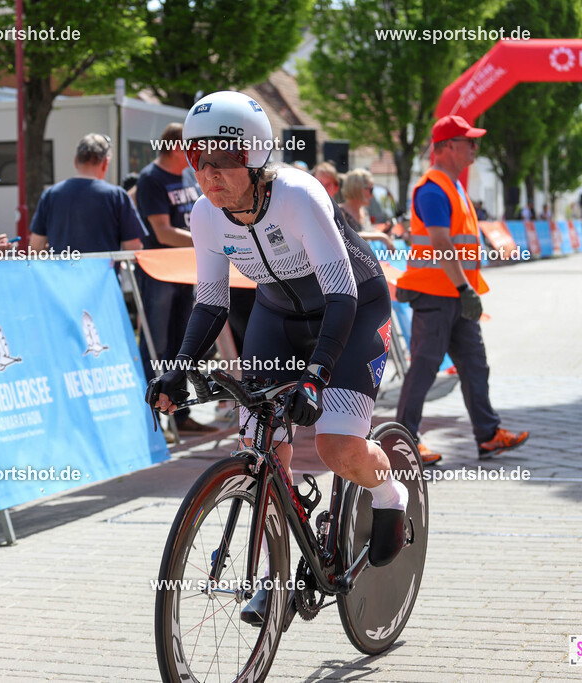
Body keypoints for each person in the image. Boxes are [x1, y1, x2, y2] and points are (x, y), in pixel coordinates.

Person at [146, 91, 409, 621]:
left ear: (257, 156)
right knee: (260, 443)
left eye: (224, 158)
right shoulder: (205, 215)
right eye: (199, 159)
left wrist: (316, 377)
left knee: (338, 448)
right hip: (277, 317)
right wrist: (177, 370)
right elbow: (211, 302)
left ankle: (390, 492)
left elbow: (341, 293)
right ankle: (276, 578)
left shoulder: (297, 194)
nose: (209, 172)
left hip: (351, 310)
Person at [394, 115, 529, 464]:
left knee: (474, 365)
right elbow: (440, 242)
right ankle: (404, 441)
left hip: (454, 294)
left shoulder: (454, 188)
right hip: (436, 294)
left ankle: (488, 436)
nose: (475, 147)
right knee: (425, 366)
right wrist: (464, 289)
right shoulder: (433, 189)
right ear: (448, 147)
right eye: (469, 141)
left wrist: (464, 290)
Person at [135, 123, 211, 434]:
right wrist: (205, 240)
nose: (198, 154)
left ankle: (179, 415)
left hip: (183, 271)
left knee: (181, 344)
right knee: (155, 344)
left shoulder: (183, 177)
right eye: (192, 147)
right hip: (159, 272)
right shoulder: (151, 178)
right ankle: (150, 423)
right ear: (177, 147)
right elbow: (162, 232)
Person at [28, 134, 145, 254]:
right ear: (105, 163)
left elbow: (36, 247)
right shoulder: (117, 196)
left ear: (76, 161)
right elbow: (133, 248)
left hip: (61, 272)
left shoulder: (50, 195)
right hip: (103, 272)